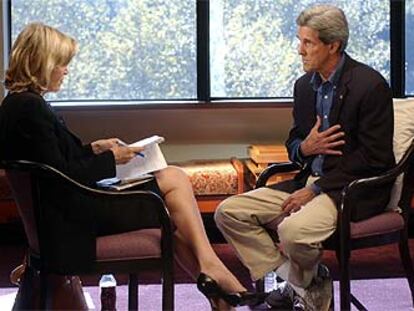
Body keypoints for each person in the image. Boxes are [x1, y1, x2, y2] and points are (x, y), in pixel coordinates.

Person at [0, 23, 258, 310]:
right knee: (173, 183)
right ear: (42, 62)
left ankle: (216, 289)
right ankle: (214, 271)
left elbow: (53, 164)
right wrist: (113, 160)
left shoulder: (17, 105)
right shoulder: (30, 108)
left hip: (64, 215)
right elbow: (62, 176)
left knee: (174, 211)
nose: (66, 70)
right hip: (72, 224)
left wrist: (94, 149)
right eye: (61, 63)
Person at [215, 4, 395, 311]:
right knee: (228, 212)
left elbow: (374, 157)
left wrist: (315, 189)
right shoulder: (304, 87)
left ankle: (300, 287)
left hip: (350, 189)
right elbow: (294, 141)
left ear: (333, 45)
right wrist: (305, 148)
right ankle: (306, 283)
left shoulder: (370, 85)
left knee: (292, 230)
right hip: (307, 182)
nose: (300, 50)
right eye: (300, 41)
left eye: (308, 42)